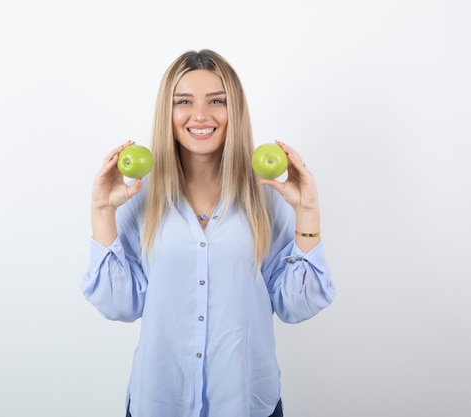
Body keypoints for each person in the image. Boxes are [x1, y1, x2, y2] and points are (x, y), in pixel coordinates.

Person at [81, 49, 336, 417]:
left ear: (235, 111)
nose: (200, 115)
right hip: (160, 400)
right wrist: (102, 210)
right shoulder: (140, 194)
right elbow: (120, 304)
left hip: (246, 402)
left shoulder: (266, 195)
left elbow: (296, 305)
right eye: (183, 101)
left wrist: (307, 212)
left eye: (217, 101)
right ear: (167, 113)